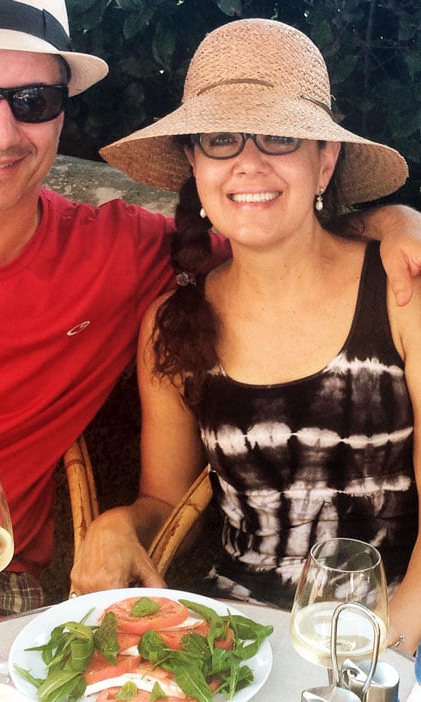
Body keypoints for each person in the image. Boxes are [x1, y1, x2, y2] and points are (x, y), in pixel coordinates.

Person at [0, 3, 419, 699]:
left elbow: (277, 234)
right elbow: (261, 219)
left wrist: (396, 223)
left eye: (33, 100)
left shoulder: (125, 258)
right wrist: (122, 520)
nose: (0, 130)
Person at [70, 18, 421, 656]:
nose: (249, 164)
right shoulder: (173, 325)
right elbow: (165, 497)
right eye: (222, 140)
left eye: (280, 137)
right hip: (235, 631)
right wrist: (119, 524)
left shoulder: (402, 290)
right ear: (195, 166)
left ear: (326, 159)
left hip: (395, 616)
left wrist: (387, 643)